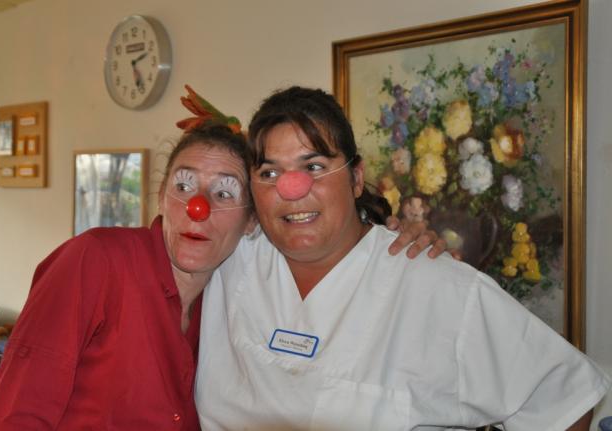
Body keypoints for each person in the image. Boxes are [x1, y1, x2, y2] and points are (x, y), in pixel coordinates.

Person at [0, 90, 443, 430]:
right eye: (183, 186)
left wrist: (385, 238)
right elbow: (12, 417)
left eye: (223, 193)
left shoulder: (233, 293)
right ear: (161, 196)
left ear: (250, 222)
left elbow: (315, 232)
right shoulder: (95, 260)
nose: (197, 207)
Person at [194, 86, 611, 430]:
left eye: (315, 166)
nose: (292, 188)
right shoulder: (230, 258)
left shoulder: (437, 287)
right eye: (269, 173)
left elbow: (565, 401)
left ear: (356, 178)